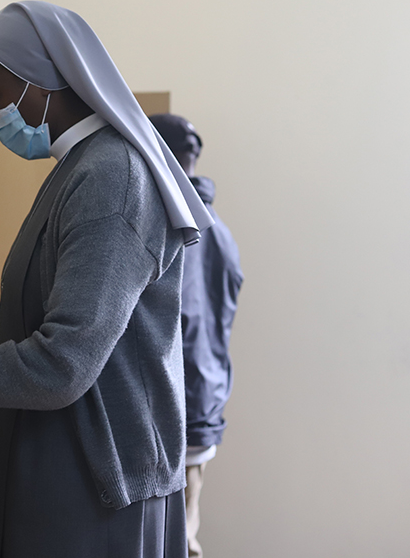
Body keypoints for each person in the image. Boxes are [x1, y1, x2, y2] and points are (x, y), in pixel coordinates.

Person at [0, 1, 214, 558]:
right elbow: (38, 332)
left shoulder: (110, 179)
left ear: (41, 83)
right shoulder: (79, 169)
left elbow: (60, 365)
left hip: (93, 485)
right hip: (64, 464)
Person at [149, 114, 244, 558]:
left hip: (177, 409)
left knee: (173, 544)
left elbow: (176, 323)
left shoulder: (175, 226)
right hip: (204, 401)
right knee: (183, 538)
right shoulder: (217, 229)